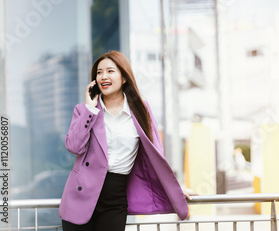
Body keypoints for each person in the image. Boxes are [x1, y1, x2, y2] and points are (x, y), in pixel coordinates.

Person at [60, 51, 194, 231]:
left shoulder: (141, 109)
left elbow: (156, 154)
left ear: (124, 77)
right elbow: (74, 147)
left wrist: (174, 188)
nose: (103, 76)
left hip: (115, 199)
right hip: (81, 195)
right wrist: (90, 110)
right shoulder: (83, 110)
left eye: (110, 71)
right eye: (99, 72)